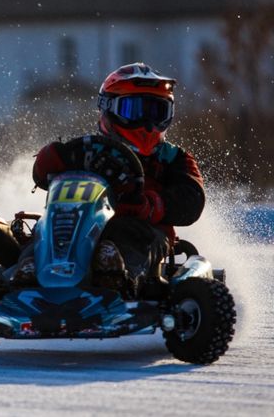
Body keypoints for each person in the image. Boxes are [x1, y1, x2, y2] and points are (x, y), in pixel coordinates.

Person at [30, 63, 206, 295]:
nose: (147, 123)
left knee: (129, 235)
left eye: (157, 112)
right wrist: (55, 155)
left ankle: (117, 276)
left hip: (142, 230)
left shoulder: (173, 158)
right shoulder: (86, 149)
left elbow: (192, 200)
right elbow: (42, 174)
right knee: (42, 230)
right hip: (77, 222)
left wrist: (150, 205)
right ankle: (28, 270)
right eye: (134, 111)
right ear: (108, 109)